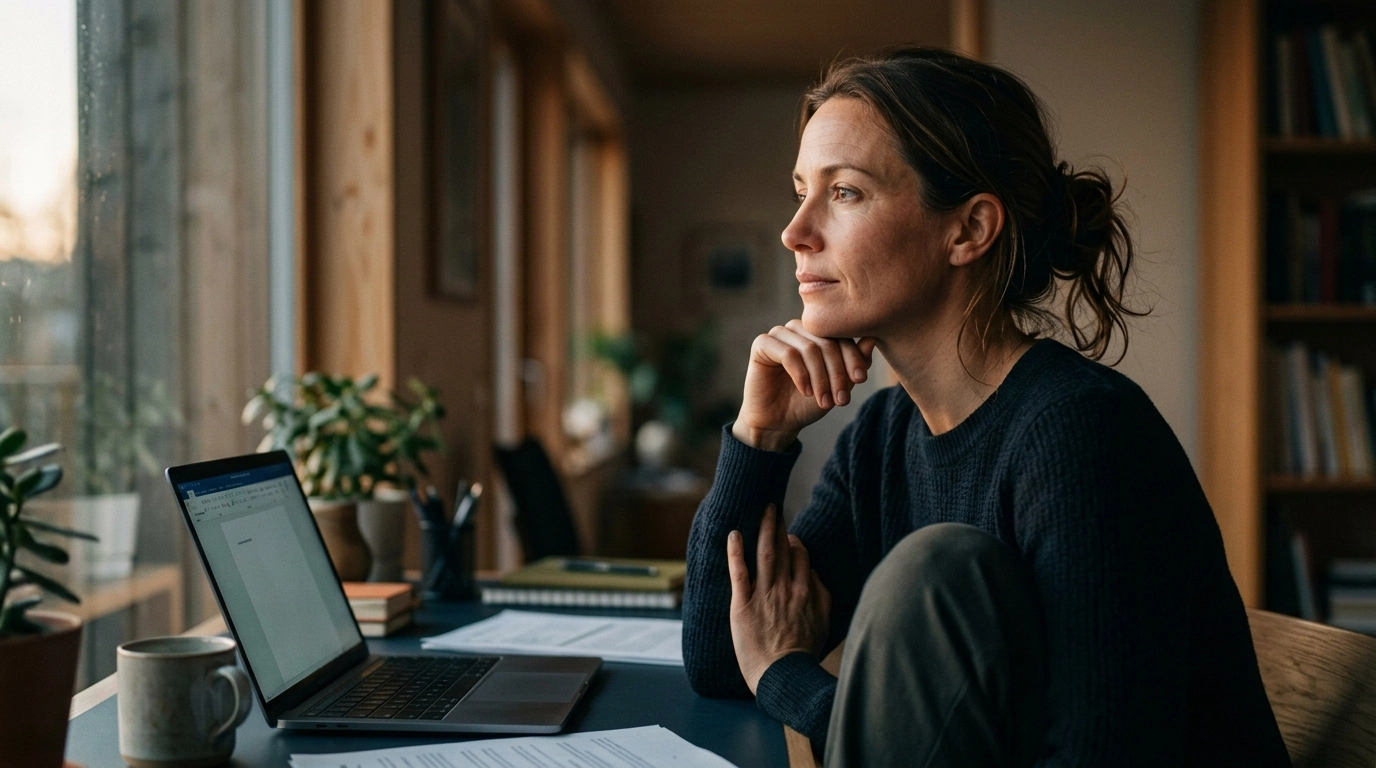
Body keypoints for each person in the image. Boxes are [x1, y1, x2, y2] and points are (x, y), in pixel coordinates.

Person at [680, 47, 1289, 767]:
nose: (795, 231)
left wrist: (787, 681)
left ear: (968, 230)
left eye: (843, 192)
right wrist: (761, 437)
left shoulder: (1082, 436)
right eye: (799, 190)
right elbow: (723, 659)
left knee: (936, 568)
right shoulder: (884, 433)